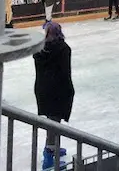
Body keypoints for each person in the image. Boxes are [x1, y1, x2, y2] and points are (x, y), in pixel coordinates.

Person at [34, 22, 74, 170]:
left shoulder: (39, 50)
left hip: (42, 89)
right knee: (55, 121)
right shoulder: (64, 49)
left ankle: (52, 147)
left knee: (53, 120)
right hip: (57, 90)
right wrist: (69, 91)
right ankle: (49, 157)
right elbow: (65, 73)